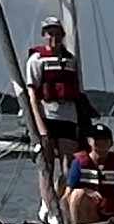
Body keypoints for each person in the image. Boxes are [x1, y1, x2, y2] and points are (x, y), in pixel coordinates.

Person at [23, 17, 89, 163]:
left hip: (68, 116)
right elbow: (32, 93)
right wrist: (40, 125)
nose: (54, 37)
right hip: (47, 114)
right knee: (47, 163)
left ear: (62, 35)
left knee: (68, 163)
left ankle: (64, 186)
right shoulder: (36, 59)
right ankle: (48, 186)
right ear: (44, 35)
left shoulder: (71, 60)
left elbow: (77, 88)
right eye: (50, 34)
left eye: (57, 34)